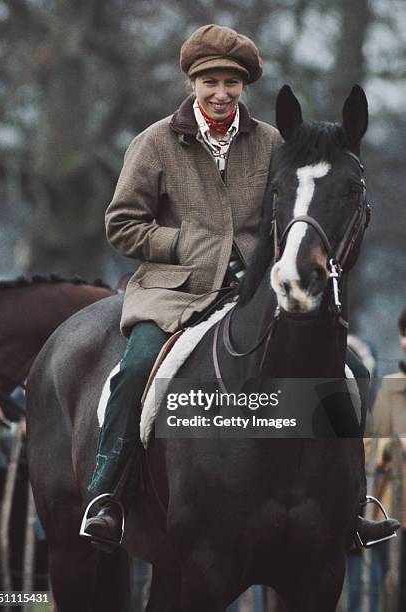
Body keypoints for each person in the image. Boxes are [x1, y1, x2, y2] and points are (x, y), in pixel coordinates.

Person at [81, 23, 399, 550]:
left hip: (253, 294)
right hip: (172, 294)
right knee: (137, 367)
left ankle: (351, 507)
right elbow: (121, 224)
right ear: (193, 84)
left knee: (354, 373)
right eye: (210, 82)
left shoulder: (274, 142)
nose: (221, 93)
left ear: (244, 87)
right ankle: (108, 494)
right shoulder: (154, 143)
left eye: (231, 82)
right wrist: (189, 247)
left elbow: (294, 211)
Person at [371, 306, 406, 611]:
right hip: (394, 515)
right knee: (393, 589)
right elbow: (373, 445)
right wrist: (390, 449)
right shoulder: (392, 386)